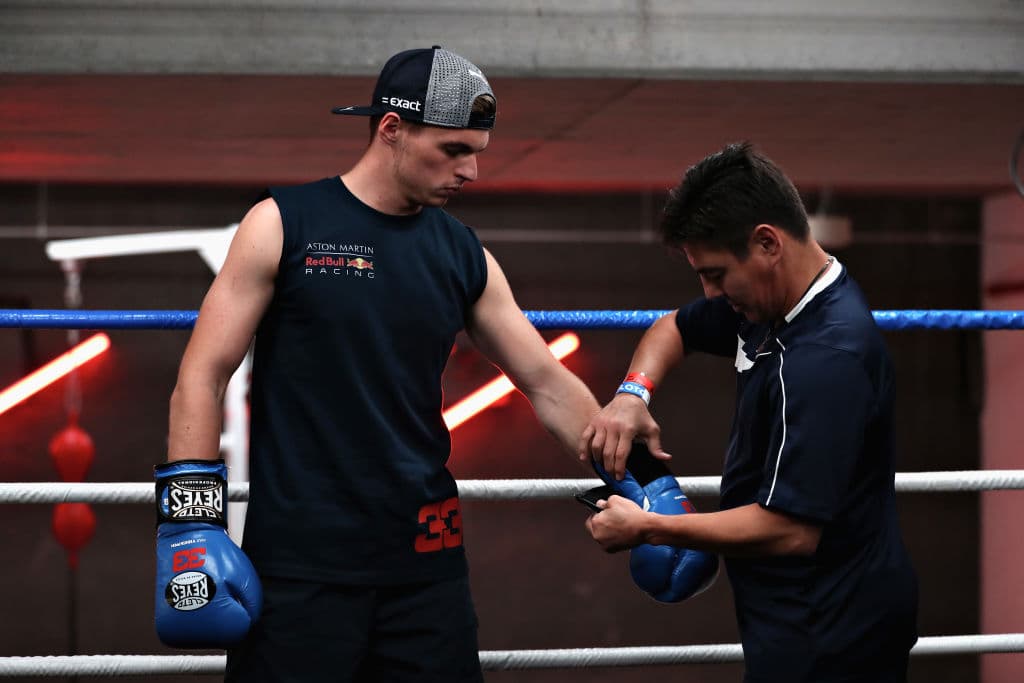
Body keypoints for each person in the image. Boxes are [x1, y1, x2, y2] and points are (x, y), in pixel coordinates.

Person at [154, 46, 601, 683]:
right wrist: (190, 530)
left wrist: (641, 480)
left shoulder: (461, 251)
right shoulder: (283, 224)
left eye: (477, 152)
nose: (471, 171)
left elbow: (546, 380)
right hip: (301, 566)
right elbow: (201, 375)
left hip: (425, 569)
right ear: (392, 128)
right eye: (453, 150)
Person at [580, 142, 919, 683]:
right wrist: (632, 394)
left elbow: (791, 531)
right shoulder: (773, 301)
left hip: (833, 629)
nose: (710, 292)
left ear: (767, 243)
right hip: (792, 610)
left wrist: (651, 527)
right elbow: (675, 327)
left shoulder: (825, 360)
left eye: (716, 274)